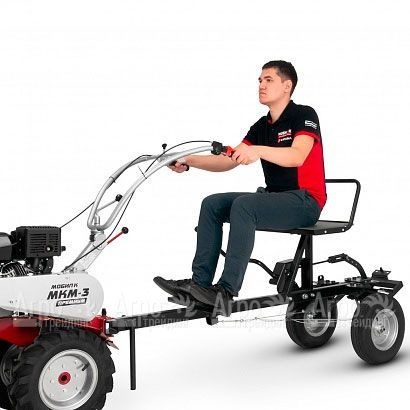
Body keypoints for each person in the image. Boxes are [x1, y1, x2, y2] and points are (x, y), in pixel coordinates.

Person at [154, 60, 326, 315]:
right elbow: (229, 160)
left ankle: (225, 292)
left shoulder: (304, 115)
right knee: (212, 204)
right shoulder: (261, 126)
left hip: (306, 202)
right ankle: (200, 285)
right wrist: (188, 160)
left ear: (287, 86)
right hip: (275, 199)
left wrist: (258, 150)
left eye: (268, 80)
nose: (261, 85)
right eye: (260, 80)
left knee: (244, 206)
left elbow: (297, 156)